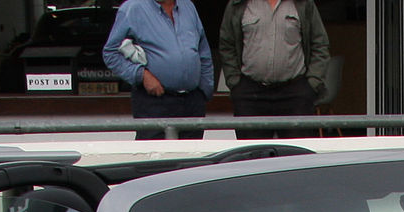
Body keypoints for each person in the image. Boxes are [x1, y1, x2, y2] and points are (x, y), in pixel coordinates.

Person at [216, 0, 331, 139]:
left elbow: (320, 44)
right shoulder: (238, 4)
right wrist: (235, 83)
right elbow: (226, 45)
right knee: (253, 151)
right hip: (250, 96)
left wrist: (312, 83)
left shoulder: (303, 3)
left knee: (295, 151)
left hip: (295, 95)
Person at [103, 0, 215, 140]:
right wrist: (141, 75)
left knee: (191, 153)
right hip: (154, 102)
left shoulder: (188, 6)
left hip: (192, 102)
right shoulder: (132, 8)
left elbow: (203, 51)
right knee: (156, 153)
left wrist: (204, 91)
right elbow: (111, 53)